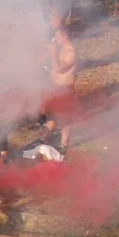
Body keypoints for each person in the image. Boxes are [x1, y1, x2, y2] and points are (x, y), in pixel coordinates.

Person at [39, 25, 77, 153]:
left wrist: (54, 52)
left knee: (64, 118)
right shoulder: (60, 48)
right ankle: (43, 138)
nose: (55, 38)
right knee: (51, 115)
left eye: (57, 35)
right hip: (54, 88)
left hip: (65, 89)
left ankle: (64, 145)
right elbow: (43, 62)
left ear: (64, 35)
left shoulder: (71, 52)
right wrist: (48, 52)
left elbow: (59, 68)